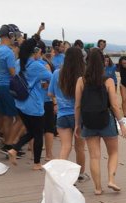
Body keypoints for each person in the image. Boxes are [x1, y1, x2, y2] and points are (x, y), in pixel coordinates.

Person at [74, 48, 126, 195]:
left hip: (89, 121)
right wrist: (122, 124)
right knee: (113, 152)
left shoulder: (81, 80)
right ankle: (111, 179)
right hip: (106, 120)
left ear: (87, 62)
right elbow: (115, 105)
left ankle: (97, 188)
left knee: (94, 156)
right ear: (103, 62)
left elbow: (78, 105)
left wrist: (77, 125)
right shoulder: (108, 80)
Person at [6, 38, 52, 170]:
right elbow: (51, 78)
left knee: (31, 131)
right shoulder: (37, 66)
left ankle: (14, 149)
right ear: (35, 51)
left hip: (20, 103)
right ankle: (37, 163)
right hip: (34, 105)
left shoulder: (18, 62)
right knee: (38, 134)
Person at [48, 47, 87, 181]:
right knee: (80, 148)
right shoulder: (83, 76)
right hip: (79, 116)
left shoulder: (57, 73)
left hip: (62, 115)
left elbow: (50, 93)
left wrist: (57, 102)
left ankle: (60, 176)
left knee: (65, 146)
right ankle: (80, 174)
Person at [0, 24, 22, 154]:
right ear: (10, 35)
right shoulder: (8, 52)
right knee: (13, 117)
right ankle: (9, 144)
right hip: (7, 86)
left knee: (4, 114)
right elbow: (12, 72)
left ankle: (5, 142)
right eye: (14, 35)